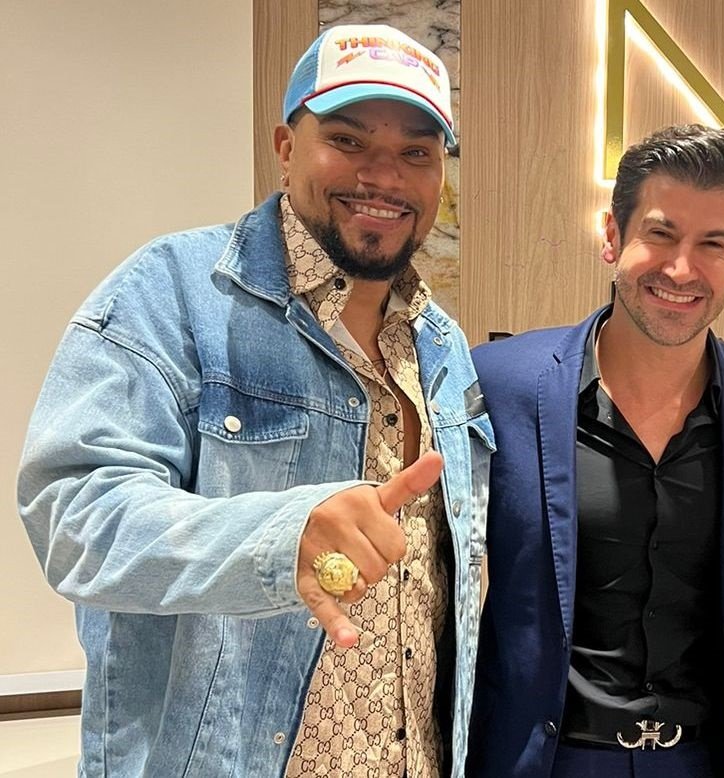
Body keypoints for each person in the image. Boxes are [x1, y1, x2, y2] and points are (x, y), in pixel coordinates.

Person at [17, 24, 493, 778]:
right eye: (348, 140)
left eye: (416, 153)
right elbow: (74, 517)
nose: (383, 175)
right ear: (286, 147)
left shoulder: (441, 343)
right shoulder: (172, 292)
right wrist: (279, 536)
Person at [466, 124, 724, 778]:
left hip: (702, 762)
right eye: (661, 234)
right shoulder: (501, 385)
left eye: (712, 245)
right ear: (612, 236)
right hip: (544, 762)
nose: (681, 269)